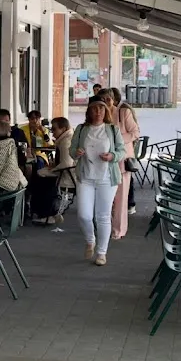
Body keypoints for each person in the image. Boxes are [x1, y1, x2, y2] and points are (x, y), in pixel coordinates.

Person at [69, 101, 125, 267]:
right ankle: (90, 239)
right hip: (86, 177)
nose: (98, 112)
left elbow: (122, 151)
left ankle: (102, 252)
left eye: (101, 109)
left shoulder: (112, 129)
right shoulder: (81, 129)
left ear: (106, 111)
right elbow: (71, 151)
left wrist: (112, 156)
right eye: (94, 109)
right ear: (89, 112)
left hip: (107, 178)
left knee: (103, 216)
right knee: (84, 215)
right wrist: (77, 153)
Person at [100, 88, 140, 239]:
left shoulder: (123, 113)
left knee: (121, 198)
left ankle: (118, 230)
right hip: (104, 162)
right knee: (105, 197)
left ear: (113, 100)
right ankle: (105, 226)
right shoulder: (99, 115)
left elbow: (135, 132)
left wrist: (117, 138)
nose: (105, 103)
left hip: (122, 161)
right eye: (102, 100)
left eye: (108, 99)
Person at [29, 117, 74, 225]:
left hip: (68, 175)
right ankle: (41, 211)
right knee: (38, 176)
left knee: (40, 180)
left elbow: (66, 163)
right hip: (65, 172)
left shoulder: (65, 142)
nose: (52, 132)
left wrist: (53, 169)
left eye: (54, 129)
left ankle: (45, 213)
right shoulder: (65, 139)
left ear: (63, 129)